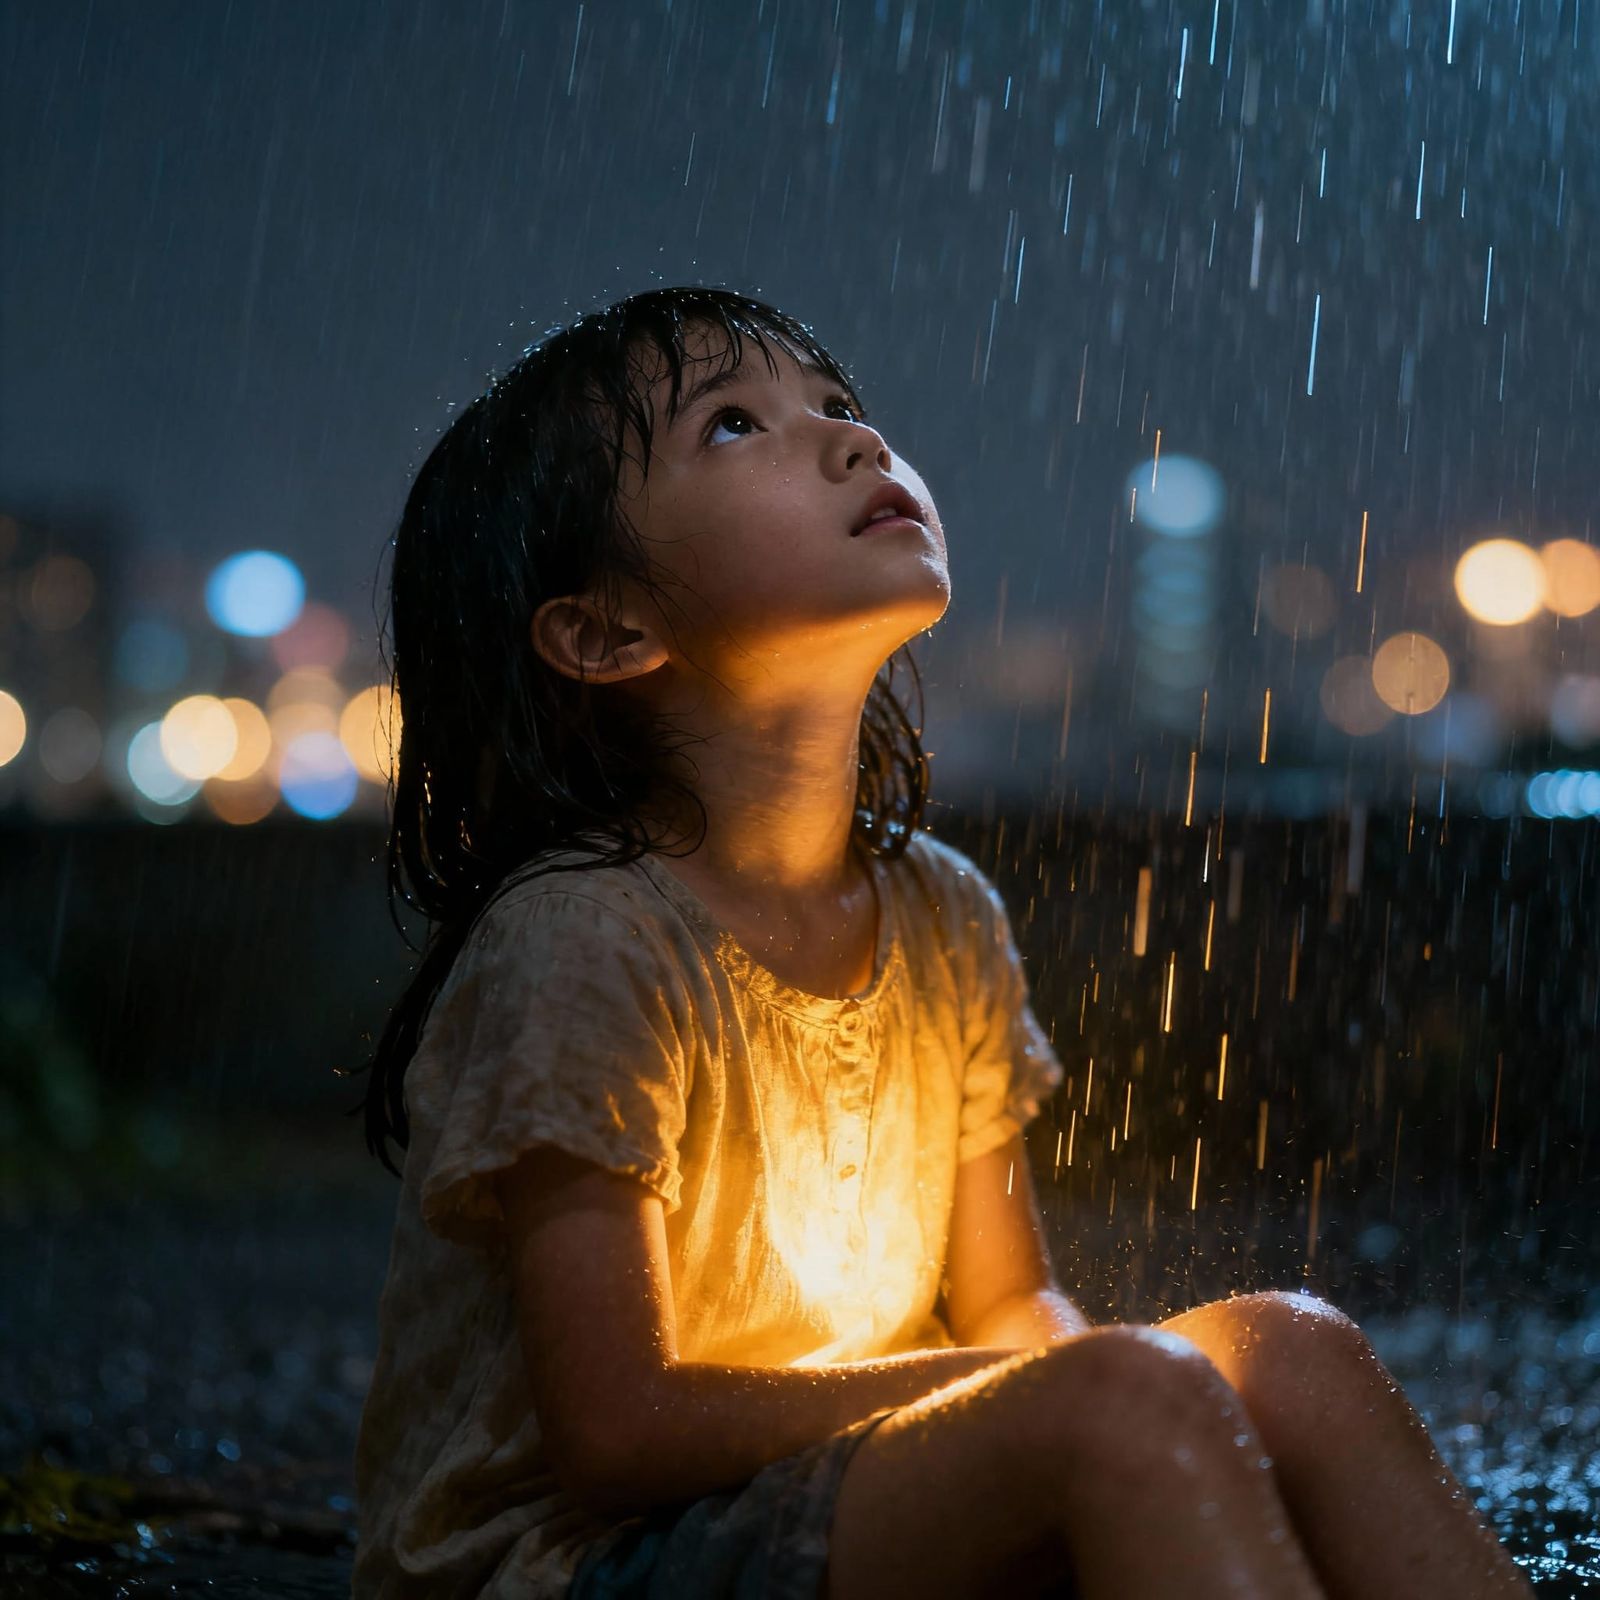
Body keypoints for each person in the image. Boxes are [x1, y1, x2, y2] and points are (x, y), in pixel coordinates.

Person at [349, 286, 1532, 1600]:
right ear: (606, 630)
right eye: (735, 426)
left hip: (834, 1496)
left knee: (1292, 1351)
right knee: (1119, 1401)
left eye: (841, 407)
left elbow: (1012, 1304)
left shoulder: (943, 916)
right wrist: (1051, 1391)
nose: (854, 443)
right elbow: (620, 1430)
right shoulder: (588, 937)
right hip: (575, 1563)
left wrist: (1072, 1377)